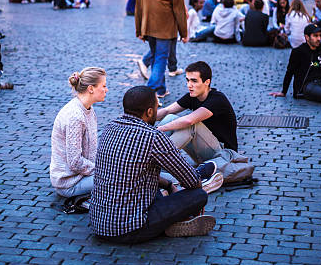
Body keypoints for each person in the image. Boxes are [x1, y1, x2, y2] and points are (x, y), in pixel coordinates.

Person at [89, 86, 217, 243]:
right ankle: (169, 225)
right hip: (131, 229)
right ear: (149, 112)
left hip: (99, 224)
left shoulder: (109, 128)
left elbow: (129, 173)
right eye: (157, 107)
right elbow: (192, 181)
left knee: (153, 184)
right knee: (199, 196)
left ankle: (171, 222)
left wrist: (169, 184)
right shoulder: (153, 137)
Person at [156, 61, 239, 162]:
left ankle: (155, 159)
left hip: (223, 156)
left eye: (194, 81)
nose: (189, 85)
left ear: (207, 82)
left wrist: (159, 129)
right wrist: (139, 118)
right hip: (203, 150)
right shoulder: (192, 96)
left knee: (191, 126)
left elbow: (189, 121)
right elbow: (166, 110)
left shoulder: (217, 99)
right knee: (169, 117)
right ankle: (149, 152)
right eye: (188, 80)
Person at [135, 0, 187, 99]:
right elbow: (179, 10)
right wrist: (184, 33)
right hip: (166, 28)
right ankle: (149, 94)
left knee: (156, 57)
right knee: (160, 59)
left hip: (148, 27)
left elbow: (139, 7)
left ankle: (161, 89)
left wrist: (139, 30)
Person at [50, 67, 107, 199]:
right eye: (103, 86)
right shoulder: (75, 116)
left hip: (84, 175)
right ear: (91, 89)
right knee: (122, 179)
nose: (106, 89)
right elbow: (75, 162)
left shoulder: (88, 109)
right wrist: (103, 170)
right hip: (70, 183)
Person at [271, 24, 321, 111]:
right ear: (307, 37)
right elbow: (289, 71)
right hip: (307, 86)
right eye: (315, 36)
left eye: (320, 35)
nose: (319, 39)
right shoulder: (298, 52)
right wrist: (283, 92)